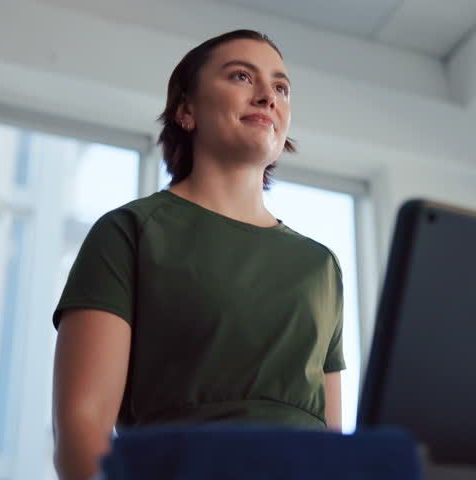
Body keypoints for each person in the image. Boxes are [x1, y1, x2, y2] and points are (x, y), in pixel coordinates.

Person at [51, 29, 345, 480]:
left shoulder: (320, 266)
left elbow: (333, 446)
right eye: (242, 76)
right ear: (186, 110)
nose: (268, 96)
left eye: (281, 87)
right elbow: (81, 428)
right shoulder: (129, 233)